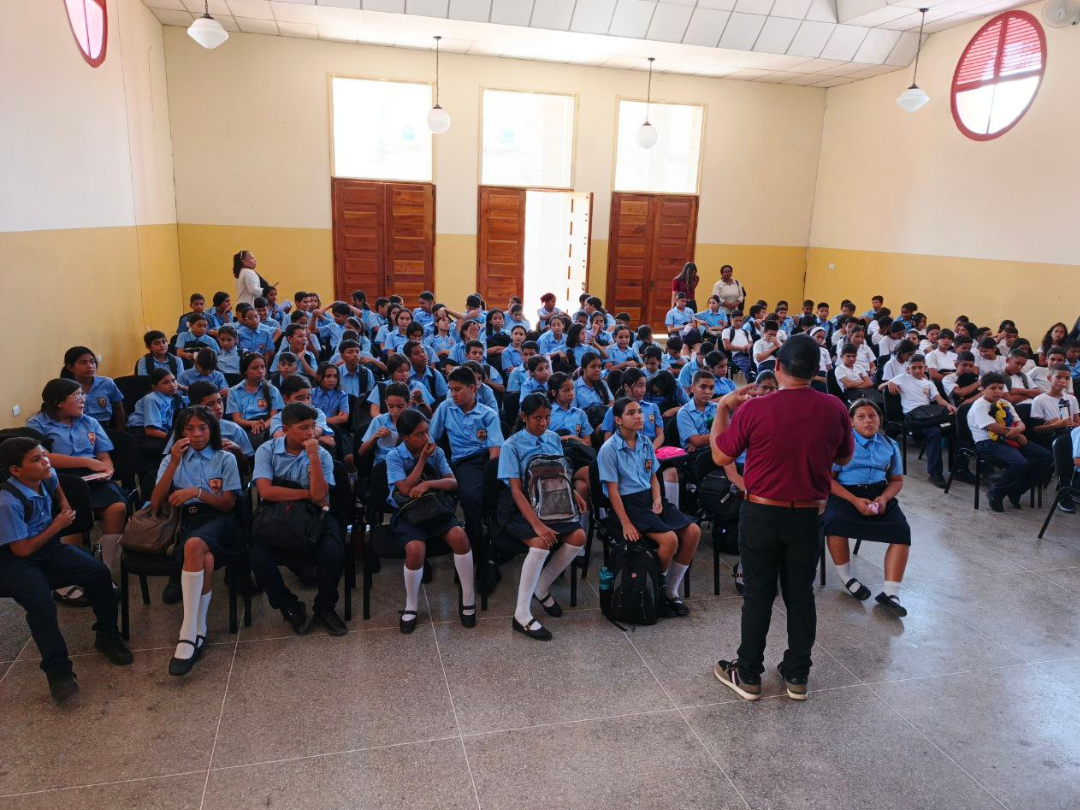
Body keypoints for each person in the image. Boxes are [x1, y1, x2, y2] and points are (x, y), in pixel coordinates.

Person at [710, 334, 853, 702]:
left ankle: (749, 675)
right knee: (800, 596)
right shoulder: (835, 407)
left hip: (761, 512)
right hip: (809, 516)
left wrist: (722, 409)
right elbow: (843, 459)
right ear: (818, 371)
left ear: (777, 367)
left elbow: (721, 457)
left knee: (758, 594)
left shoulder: (755, 409)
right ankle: (797, 675)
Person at [0, 438, 133, 701]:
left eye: (44, 456)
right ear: (16, 471)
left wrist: (62, 502)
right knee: (41, 605)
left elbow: (55, 481)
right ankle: (58, 672)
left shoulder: (46, 476)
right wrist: (58, 525)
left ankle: (106, 634)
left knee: (98, 573)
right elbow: (22, 550)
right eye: (36, 460)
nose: (46, 462)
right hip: (16, 560)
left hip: (48, 547)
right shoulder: (7, 503)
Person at [151, 407, 242, 676]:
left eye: (202, 428)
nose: (196, 434)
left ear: (212, 430)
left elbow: (227, 505)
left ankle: (187, 631)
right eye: (189, 429)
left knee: (194, 547)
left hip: (219, 521)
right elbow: (156, 504)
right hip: (185, 521)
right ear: (180, 432)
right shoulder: (171, 460)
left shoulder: (225, 458)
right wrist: (175, 464)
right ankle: (199, 628)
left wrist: (197, 492)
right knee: (205, 557)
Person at [496, 394, 589, 640]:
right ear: (524, 417)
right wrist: (536, 526)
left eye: (547, 417)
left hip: (552, 502)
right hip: (520, 507)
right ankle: (521, 614)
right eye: (537, 418)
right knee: (540, 544)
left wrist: (573, 494)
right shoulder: (511, 445)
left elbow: (560, 474)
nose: (543, 423)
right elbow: (516, 490)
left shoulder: (553, 438)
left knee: (579, 536)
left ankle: (542, 586)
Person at [250, 403, 346, 636]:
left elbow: (322, 497)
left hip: (314, 515)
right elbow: (266, 492)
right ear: (285, 429)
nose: (310, 433)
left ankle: (325, 606)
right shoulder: (267, 450)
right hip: (277, 515)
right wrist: (307, 494)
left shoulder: (320, 454)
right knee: (258, 557)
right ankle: (289, 606)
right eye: (303, 428)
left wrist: (312, 455)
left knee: (333, 552)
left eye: (312, 427)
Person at [28, 379, 128, 603]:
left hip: (93, 476)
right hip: (59, 479)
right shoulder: (38, 424)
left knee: (117, 508)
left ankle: (102, 570)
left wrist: (107, 468)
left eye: (83, 395)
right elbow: (42, 458)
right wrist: (85, 461)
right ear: (59, 402)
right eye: (77, 396)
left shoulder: (89, 421)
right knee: (72, 517)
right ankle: (69, 577)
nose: (84, 399)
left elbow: (102, 454)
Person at [599, 398, 701, 617]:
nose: (638, 417)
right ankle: (655, 588)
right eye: (631, 413)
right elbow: (613, 491)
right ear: (618, 420)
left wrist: (657, 498)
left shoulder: (645, 442)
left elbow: (653, 475)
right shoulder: (609, 449)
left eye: (639, 412)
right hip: (627, 505)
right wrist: (626, 523)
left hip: (649, 499)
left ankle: (670, 591)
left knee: (693, 532)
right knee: (670, 540)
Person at [385, 409, 477, 635]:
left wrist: (428, 485)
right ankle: (411, 605)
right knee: (415, 549)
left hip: (434, 509)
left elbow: (452, 483)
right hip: (409, 513)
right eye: (419, 434)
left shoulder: (436, 451)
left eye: (426, 432)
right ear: (405, 437)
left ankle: (468, 599)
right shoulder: (394, 456)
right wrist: (422, 460)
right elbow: (405, 490)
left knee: (460, 537)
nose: (426, 438)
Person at [825, 399, 911, 616]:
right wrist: (854, 500)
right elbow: (828, 479)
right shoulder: (840, 444)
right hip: (845, 493)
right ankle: (847, 578)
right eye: (861, 417)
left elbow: (896, 480)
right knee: (834, 523)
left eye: (872, 415)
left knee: (901, 531)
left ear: (879, 419)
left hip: (878, 493)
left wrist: (883, 498)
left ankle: (891, 592)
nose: (868, 420)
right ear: (851, 422)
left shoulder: (889, 445)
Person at [428, 367, 504, 555]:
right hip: (465, 461)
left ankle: (497, 540)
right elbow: (431, 437)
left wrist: (491, 476)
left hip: (488, 460)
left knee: (501, 493)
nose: (453, 394)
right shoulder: (446, 407)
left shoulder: (488, 414)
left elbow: (495, 449)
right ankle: (475, 544)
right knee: (470, 497)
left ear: (472, 388)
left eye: (457, 389)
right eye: (451, 389)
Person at [966, 373, 1053, 513]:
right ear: (982, 390)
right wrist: (1018, 436)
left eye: (1001, 388)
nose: (998, 391)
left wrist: (1018, 431)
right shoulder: (980, 405)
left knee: (1047, 457)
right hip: (988, 443)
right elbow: (993, 427)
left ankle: (1016, 490)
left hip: (1010, 440)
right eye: (993, 388)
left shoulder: (1005, 403)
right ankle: (997, 492)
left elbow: (1020, 423)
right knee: (1020, 463)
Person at [880, 354, 956, 488]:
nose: (916, 371)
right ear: (908, 369)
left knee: (954, 426)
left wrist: (948, 405)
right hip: (912, 416)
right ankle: (935, 473)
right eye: (913, 368)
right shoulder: (902, 378)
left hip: (927, 415)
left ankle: (959, 468)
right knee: (934, 432)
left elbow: (939, 400)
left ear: (925, 368)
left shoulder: (929, 383)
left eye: (920, 367)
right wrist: (889, 382)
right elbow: (880, 387)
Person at [63, 345, 125, 430]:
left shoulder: (107, 383)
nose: (90, 366)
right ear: (70, 367)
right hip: (78, 429)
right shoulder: (65, 388)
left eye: (92, 362)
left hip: (105, 428)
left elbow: (118, 408)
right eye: (83, 362)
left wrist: (121, 431)